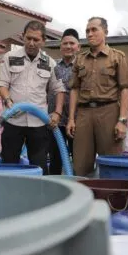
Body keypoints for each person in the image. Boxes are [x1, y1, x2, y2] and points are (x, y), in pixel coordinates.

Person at [66, 17, 128, 176]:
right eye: (87, 31)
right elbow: (74, 90)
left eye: (94, 30)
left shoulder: (118, 57)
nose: (90, 34)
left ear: (105, 32)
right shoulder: (80, 59)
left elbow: (125, 89)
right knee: (80, 164)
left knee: (111, 162)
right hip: (84, 114)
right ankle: (85, 198)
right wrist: (71, 118)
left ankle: (111, 199)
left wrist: (122, 120)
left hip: (109, 112)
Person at [0, 20, 66, 175]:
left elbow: (59, 89)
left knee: (40, 166)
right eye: (28, 38)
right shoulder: (10, 57)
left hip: (38, 123)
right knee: (9, 164)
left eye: (36, 39)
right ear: (23, 37)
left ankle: (39, 196)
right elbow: (2, 84)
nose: (31, 43)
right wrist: (8, 101)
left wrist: (57, 113)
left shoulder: (50, 63)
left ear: (43, 41)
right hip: (13, 120)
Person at [47, 28, 81, 174]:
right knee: (55, 158)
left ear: (78, 47)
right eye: (65, 43)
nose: (68, 46)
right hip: (55, 120)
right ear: (60, 47)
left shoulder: (83, 66)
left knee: (78, 159)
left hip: (77, 121)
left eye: (72, 43)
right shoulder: (52, 67)